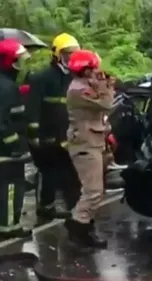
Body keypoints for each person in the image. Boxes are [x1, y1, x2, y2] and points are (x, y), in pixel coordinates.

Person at [26, 33, 81, 222]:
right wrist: (34, 135)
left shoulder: (74, 78)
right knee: (47, 172)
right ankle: (44, 207)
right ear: (56, 54)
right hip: (46, 134)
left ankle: (62, 206)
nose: (70, 58)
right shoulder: (41, 78)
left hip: (66, 134)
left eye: (73, 54)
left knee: (66, 171)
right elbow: (32, 107)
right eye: (67, 54)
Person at [63, 49, 114, 248]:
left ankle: (84, 225)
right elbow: (106, 103)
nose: (97, 71)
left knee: (94, 190)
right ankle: (78, 226)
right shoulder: (79, 90)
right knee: (93, 191)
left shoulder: (85, 85)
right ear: (85, 70)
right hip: (85, 144)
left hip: (93, 141)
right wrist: (106, 86)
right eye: (93, 68)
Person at [0, 39, 32, 239]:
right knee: (11, 187)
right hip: (6, 151)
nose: (19, 67)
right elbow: (3, 122)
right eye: (17, 62)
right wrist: (15, 145)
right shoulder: (7, 88)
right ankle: (10, 228)